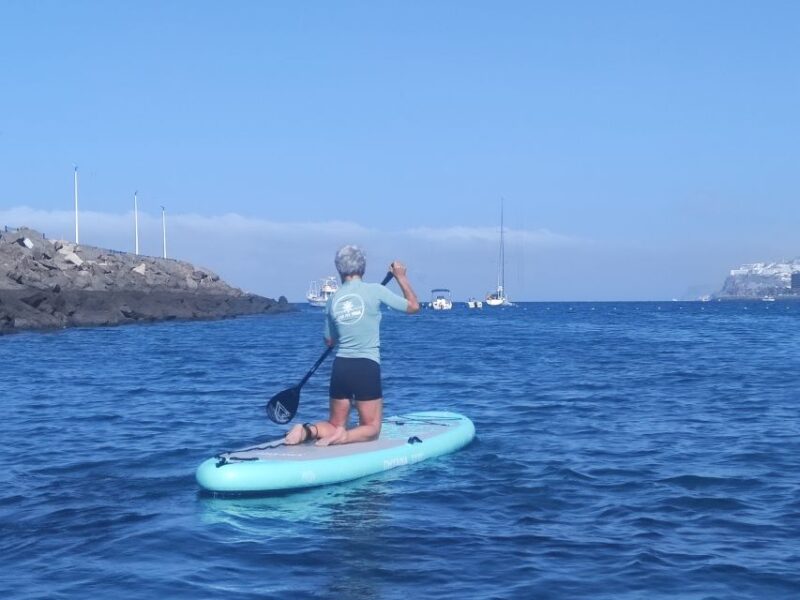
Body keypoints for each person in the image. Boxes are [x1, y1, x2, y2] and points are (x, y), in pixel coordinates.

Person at [285, 245, 419, 446]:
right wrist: (400, 276)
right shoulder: (375, 290)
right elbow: (413, 306)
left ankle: (307, 431)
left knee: (334, 423)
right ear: (363, 267)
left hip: (341, 367)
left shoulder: (333, 299)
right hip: (366, 366)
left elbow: (329, 341)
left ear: (339, 269)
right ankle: (344, 436)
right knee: (372, 428)